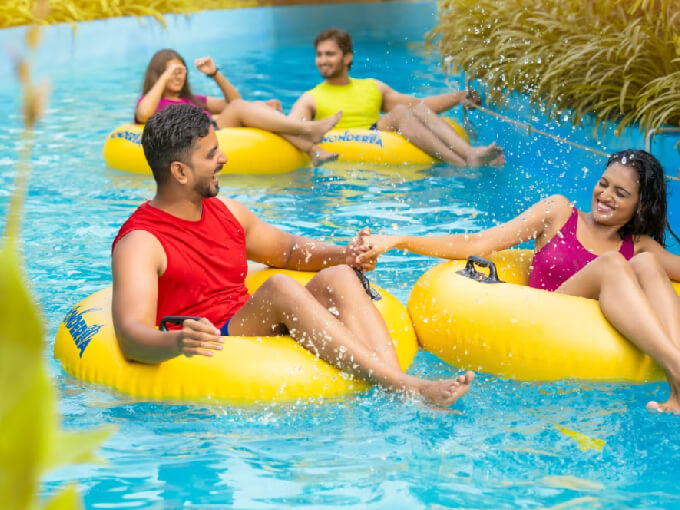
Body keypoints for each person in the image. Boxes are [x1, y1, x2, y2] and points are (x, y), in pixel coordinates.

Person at [111, 104, 474, 408]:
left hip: (244, 317)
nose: (223, 158)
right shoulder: (141, 242)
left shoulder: (228, 212)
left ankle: (400, 388)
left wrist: (346, 255)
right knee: (280, 287)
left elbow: (288, 250)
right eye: (210, 154)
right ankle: (407, 386)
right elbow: (130, 336)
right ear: (180, 172)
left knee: (340, 277)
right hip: (217, 340)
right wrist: (176, 341)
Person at [360, 149, 680, 412]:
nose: (605, 196)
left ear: (640, 205)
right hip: (545, 320)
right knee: (612, 264)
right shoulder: (559, 212)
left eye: (621, 193)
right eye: (603, 183)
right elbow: (477, 244)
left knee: (649, 263)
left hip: (592, 337)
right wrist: (400, 240)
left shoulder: (638, 244)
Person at [289, 28, 505, 168]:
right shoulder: (310, 98)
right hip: (343, 143)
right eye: (319, 54)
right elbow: (291, 127)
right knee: (403, 111)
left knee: (407, 110)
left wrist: (459, 97)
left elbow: (421, 107)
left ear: (347, 57)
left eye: (330, 54)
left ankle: (469, 154)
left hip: (375, 134)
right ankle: (464, 162)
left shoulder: (372, 86)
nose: (322, 60)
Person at [134, 49, 341, 165]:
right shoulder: (153, 101)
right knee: (246, 107)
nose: (178, 76)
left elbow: (234, 101)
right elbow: (143, 115)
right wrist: (165, 76)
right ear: (159, 74)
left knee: (260, 105)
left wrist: (214, 73)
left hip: (219, 126)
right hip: (202, 133)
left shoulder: (192, 98)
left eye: (181, 71)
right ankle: (306, 129)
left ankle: (312, 148)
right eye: (172, 71)